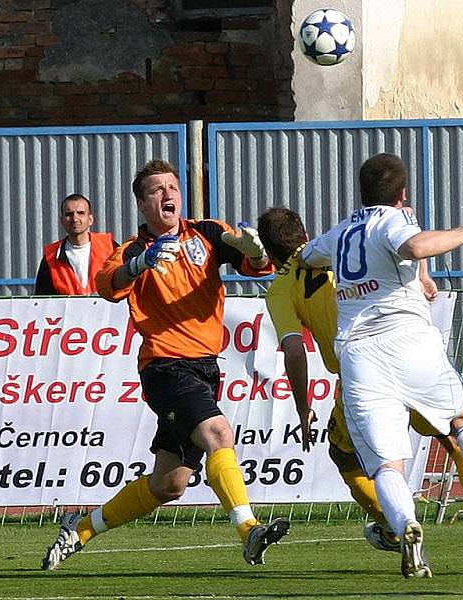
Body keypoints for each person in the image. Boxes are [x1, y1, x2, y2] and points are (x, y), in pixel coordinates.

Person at [301, 153, 463, 578]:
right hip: (407, 340)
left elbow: (308, 257)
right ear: (403, 193)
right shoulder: (395, 223)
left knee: (386, 465)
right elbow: (412, 246)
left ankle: (406, 525)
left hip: (359, 355)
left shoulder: (341, 232)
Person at [41, 159, 289, 570]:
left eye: (172, 187)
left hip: (206, 369)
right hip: (164, 367)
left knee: (169, 483)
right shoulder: (135, 249)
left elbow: (260, 266)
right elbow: (107, 284)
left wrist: (255, 250)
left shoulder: (207, 232)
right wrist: (141, 264)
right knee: (218, 433)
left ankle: (80, 528)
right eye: (157, 190)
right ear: (142, 204)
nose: (168, 194)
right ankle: (249, 530)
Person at [257, 206, 463, 574]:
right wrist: (423, 275)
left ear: (270, 249)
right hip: (406, 353)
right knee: (454, 433)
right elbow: (407, 243)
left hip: (361, 374)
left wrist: (303, 405)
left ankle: (396, 525)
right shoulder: (341, 246)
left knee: (350, 458)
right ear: (304, 231)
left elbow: (294, 350)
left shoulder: (281, 287)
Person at [34, 194, 117, 295]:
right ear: (62, 221)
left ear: (90, 219)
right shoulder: (51, 257)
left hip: (105, 310)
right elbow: (43, 301)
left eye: (80, 213)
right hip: (67, 311)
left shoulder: (110, 247)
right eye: (69, 214)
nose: (75, 219)